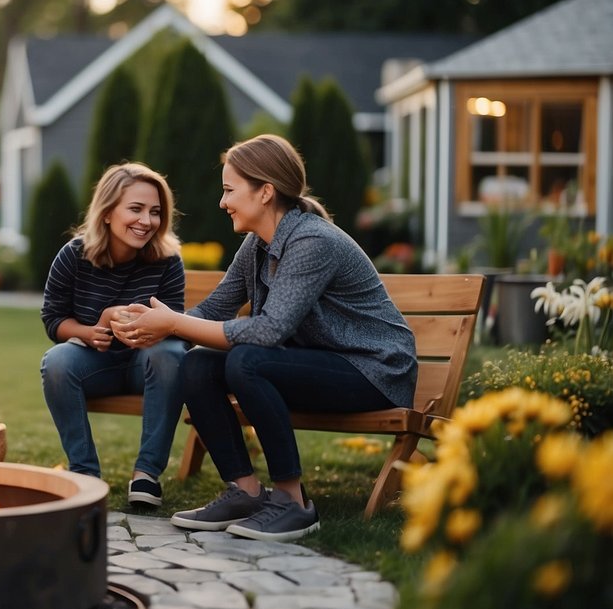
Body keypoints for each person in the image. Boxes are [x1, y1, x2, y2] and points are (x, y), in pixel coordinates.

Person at [114, 135, 417, 541]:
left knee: (247, 360)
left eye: (228, 190)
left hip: (373, 372)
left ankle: (294, 503)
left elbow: (269, 330)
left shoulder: (313, 241)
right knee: (198, 364)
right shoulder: (257, 244)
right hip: (319, 366)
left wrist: (173, 325)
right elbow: (215, 308)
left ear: (266, 192)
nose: (222, 202)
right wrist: (152, 322)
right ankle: (245, 491)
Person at [40, 162, 187, 507]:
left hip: (147, 366)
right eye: (135, 209)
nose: (146, 221)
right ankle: (85, 474)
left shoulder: (167, 261)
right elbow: (53, 320)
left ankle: (146, 476)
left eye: (154, 211)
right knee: (57, 360)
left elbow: (176, 329)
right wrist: (93, 330)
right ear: (107, 213)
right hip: (96, 365)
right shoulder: (74, 255)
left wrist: (148, 328)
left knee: (170, 354)